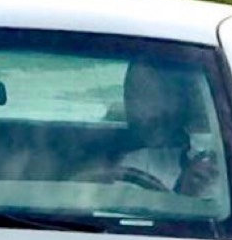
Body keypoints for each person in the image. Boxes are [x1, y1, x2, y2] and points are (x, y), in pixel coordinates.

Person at [90, 55, 220, 197]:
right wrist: (184, 192)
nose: (146, 115)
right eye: (136, 98)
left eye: (161, 97)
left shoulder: (222, 168)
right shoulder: (138, 163)